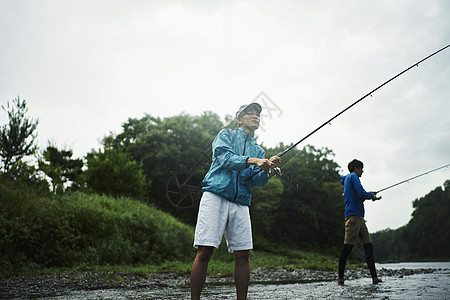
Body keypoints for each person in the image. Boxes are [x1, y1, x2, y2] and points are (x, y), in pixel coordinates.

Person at [190, 103, 281, 300]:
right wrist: (254, 161)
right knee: (205, 251)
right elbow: (225, 159)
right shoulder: (226, 135)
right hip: (215, 195)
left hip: (241, 202)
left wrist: (268, 169)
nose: (255, 116)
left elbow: (257, 180)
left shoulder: (259, 150)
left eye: (257, 114)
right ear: (239, 119)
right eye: (250, 113)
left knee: (243, 254)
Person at [338, 159, 382, 285]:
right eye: (361, 168)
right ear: (355, 168)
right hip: (353, 217)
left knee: (368, 246)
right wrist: (371, 196)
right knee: (347, 248)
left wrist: (369, 195)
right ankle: (340, 278)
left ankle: (374, 278)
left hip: (359, 218)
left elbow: (358, 195)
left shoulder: (348, 179)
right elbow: (361, 193)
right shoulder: (353, 176)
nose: (362, 171)